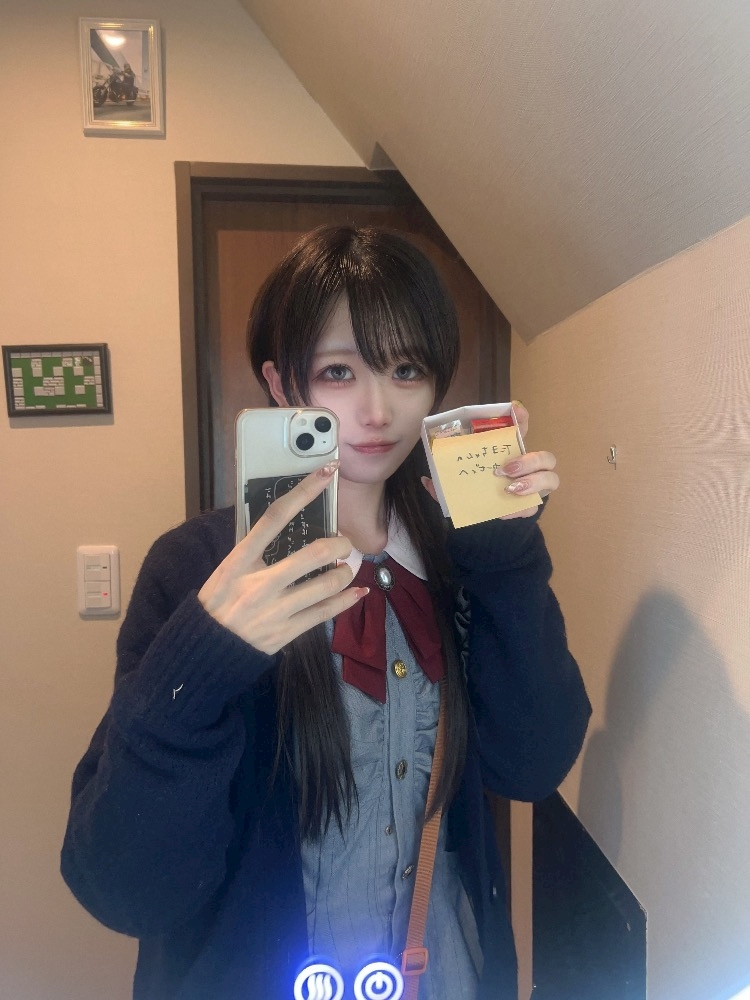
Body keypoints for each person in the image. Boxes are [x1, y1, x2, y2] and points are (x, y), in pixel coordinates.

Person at [61, 225, 591, 1000]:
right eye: (339, 372)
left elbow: (533, 764)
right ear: (282, 385)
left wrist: (505, 556)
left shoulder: (462, 553)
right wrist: (203, 660)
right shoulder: (198, 567)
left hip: (442, 974)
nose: (378, 410)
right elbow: (123, 889)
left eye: (406, 369)